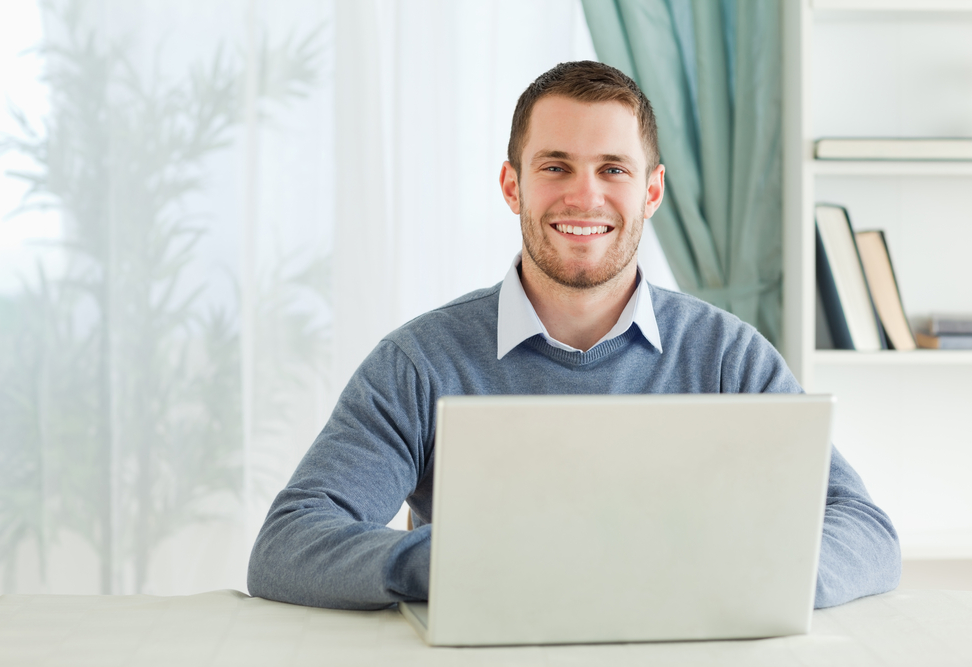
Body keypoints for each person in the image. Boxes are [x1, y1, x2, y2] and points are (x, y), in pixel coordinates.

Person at [247, 61, 901, 611]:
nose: (584, 197)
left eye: (613, 169)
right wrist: (452, 561)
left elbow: (865, 531)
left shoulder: (727, 355)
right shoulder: (419, 363)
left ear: (651, 191)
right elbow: (287, 545)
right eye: (556, 166)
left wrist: (735, 575)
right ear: (514, 186)